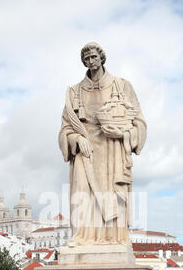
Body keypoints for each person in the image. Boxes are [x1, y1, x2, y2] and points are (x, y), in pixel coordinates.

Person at [59, 42, 147, 245]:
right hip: (85, 152)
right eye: (86, 59)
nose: (90, 62)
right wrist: (76, 139)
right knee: (82, 194)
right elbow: (64, 128)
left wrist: (125, 134)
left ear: (101, 58)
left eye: (93, 57)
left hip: (112, 150)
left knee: (112, 195)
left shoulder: (122, 86)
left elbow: (140, 123)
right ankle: (83, 239)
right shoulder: (74, 92)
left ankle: (113, 239)